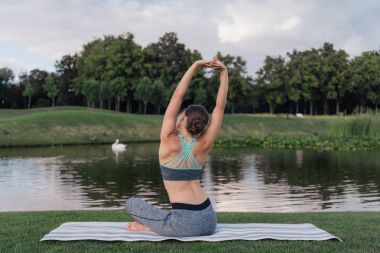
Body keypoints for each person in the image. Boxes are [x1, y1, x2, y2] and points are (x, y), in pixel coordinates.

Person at [125, 56, 229, 237]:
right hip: (209, 219)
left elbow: (177, 96)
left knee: (131, 204)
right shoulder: (203, 145)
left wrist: (195, 66)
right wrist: (224, 73)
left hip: (185, 225)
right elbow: (219, 108)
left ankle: (151, 227)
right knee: (170, 215)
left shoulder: (168, 140)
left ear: (182, 119)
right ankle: (162, 224)